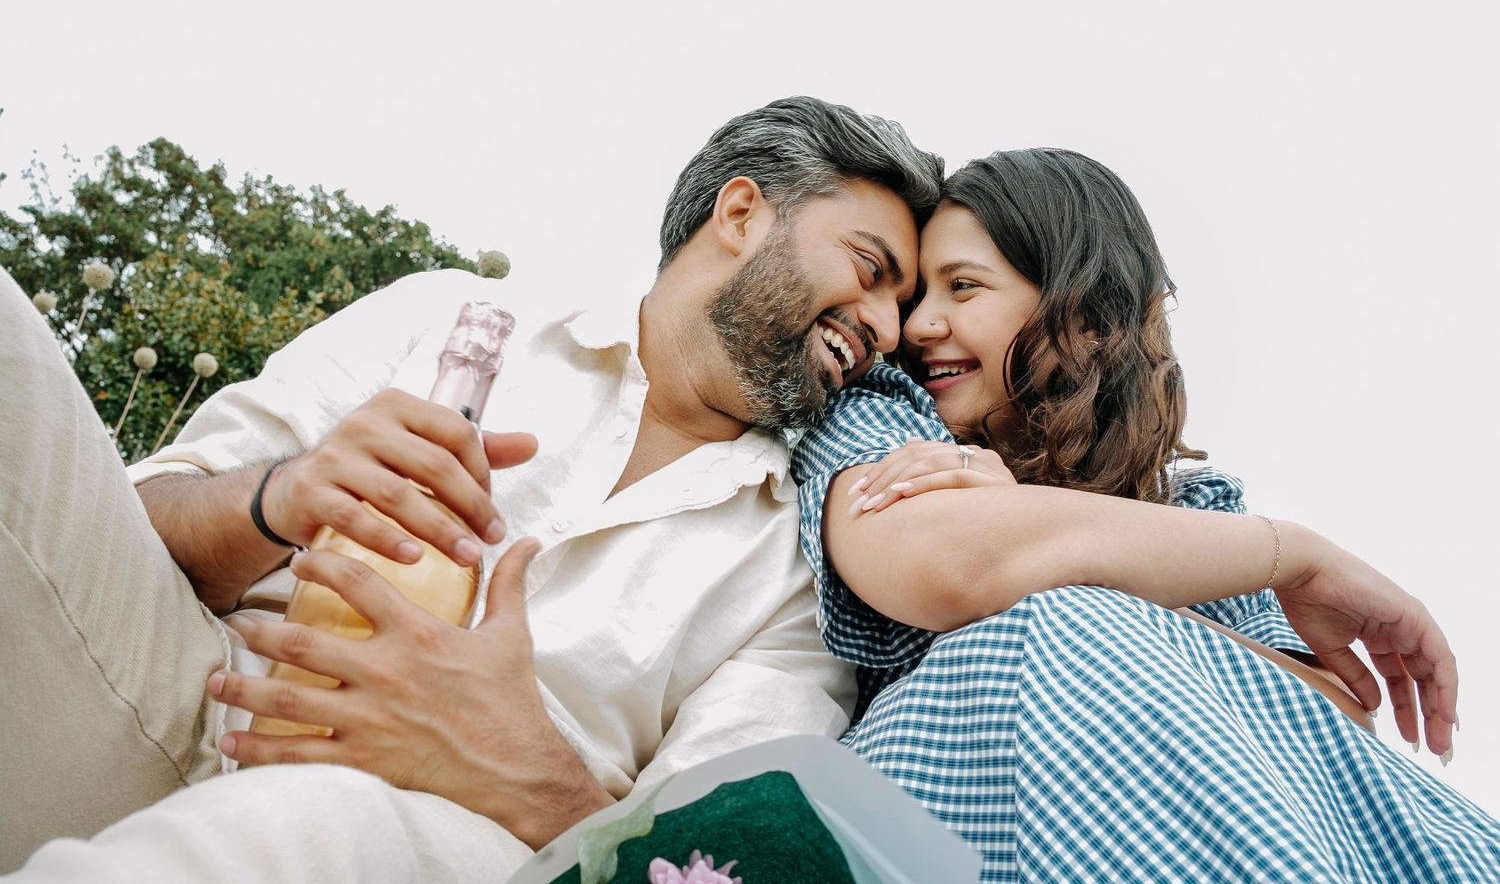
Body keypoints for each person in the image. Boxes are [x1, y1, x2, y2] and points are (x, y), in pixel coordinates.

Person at [0, 96, 944, 879]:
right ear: (741, 215)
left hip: (447, 837)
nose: (889, 328)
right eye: (871, 271)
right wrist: (276, 498)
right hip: (185, 688)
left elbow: (694, 858)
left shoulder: (797, 566)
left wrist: (517, 765)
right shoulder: (454, 312)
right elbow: (134, 527)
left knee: (310, 821)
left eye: (901, 306)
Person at [791, 147, 1500, 881]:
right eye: (915, 300)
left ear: (1086, 318)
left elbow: (1328, 726)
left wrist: (1049, 544)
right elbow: (952, 566)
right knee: (1060, 628)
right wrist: (1294, 553)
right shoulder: (879, 420)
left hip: (1174, 842)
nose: (917, 327)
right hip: (952, 828)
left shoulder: (1191, 508)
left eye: (963, 288)